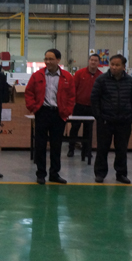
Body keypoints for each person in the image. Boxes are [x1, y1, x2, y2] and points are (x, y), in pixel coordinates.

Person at [25, 49, 75, 185]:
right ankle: (41, 173)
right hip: (42, 113)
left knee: (56, 145)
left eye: (51, 59)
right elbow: (29, 92)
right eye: (46, 59)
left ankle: (54, 174)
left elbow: (71, 96)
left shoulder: (67, 77)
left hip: (58, 114)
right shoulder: (37, 75)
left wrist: (67, 111)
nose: (48, 61)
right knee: (40, 145)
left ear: (58, 60)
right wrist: (33, 108)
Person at [90, 54, 132, 184]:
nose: (114, 67)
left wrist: (131, 115)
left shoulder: (130, 81)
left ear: (123, 66)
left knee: (122, 149)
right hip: (105, 121)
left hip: (124, 121)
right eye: (112, 64)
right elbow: (94, 99)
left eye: (117, 65)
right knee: (102, 148)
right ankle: (100, 173)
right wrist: (99, 116)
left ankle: (121, 174)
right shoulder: (101, 80)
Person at [68, 54, 102, 159]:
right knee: (75, 128)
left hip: (92, 107)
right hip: (79, 106)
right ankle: (71, 149)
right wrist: (72, 103)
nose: (93, 62)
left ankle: (87, 151)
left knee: (88, 130)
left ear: (98, 63)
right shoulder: (79, 73)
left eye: (95, 60)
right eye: (92, 60)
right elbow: (72, 88)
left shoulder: (101, 76)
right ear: (89, 61)